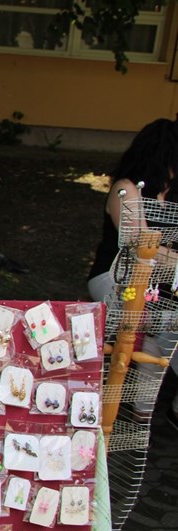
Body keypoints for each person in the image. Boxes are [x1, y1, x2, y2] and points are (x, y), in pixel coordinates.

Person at [86, 117, 178, 430]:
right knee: (162, 321)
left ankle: (144, 413)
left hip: (160, 283)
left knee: (165, 326)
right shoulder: (126, 190)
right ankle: (141, 413)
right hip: (116, 278)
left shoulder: (171, 195)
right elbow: (139, 245)